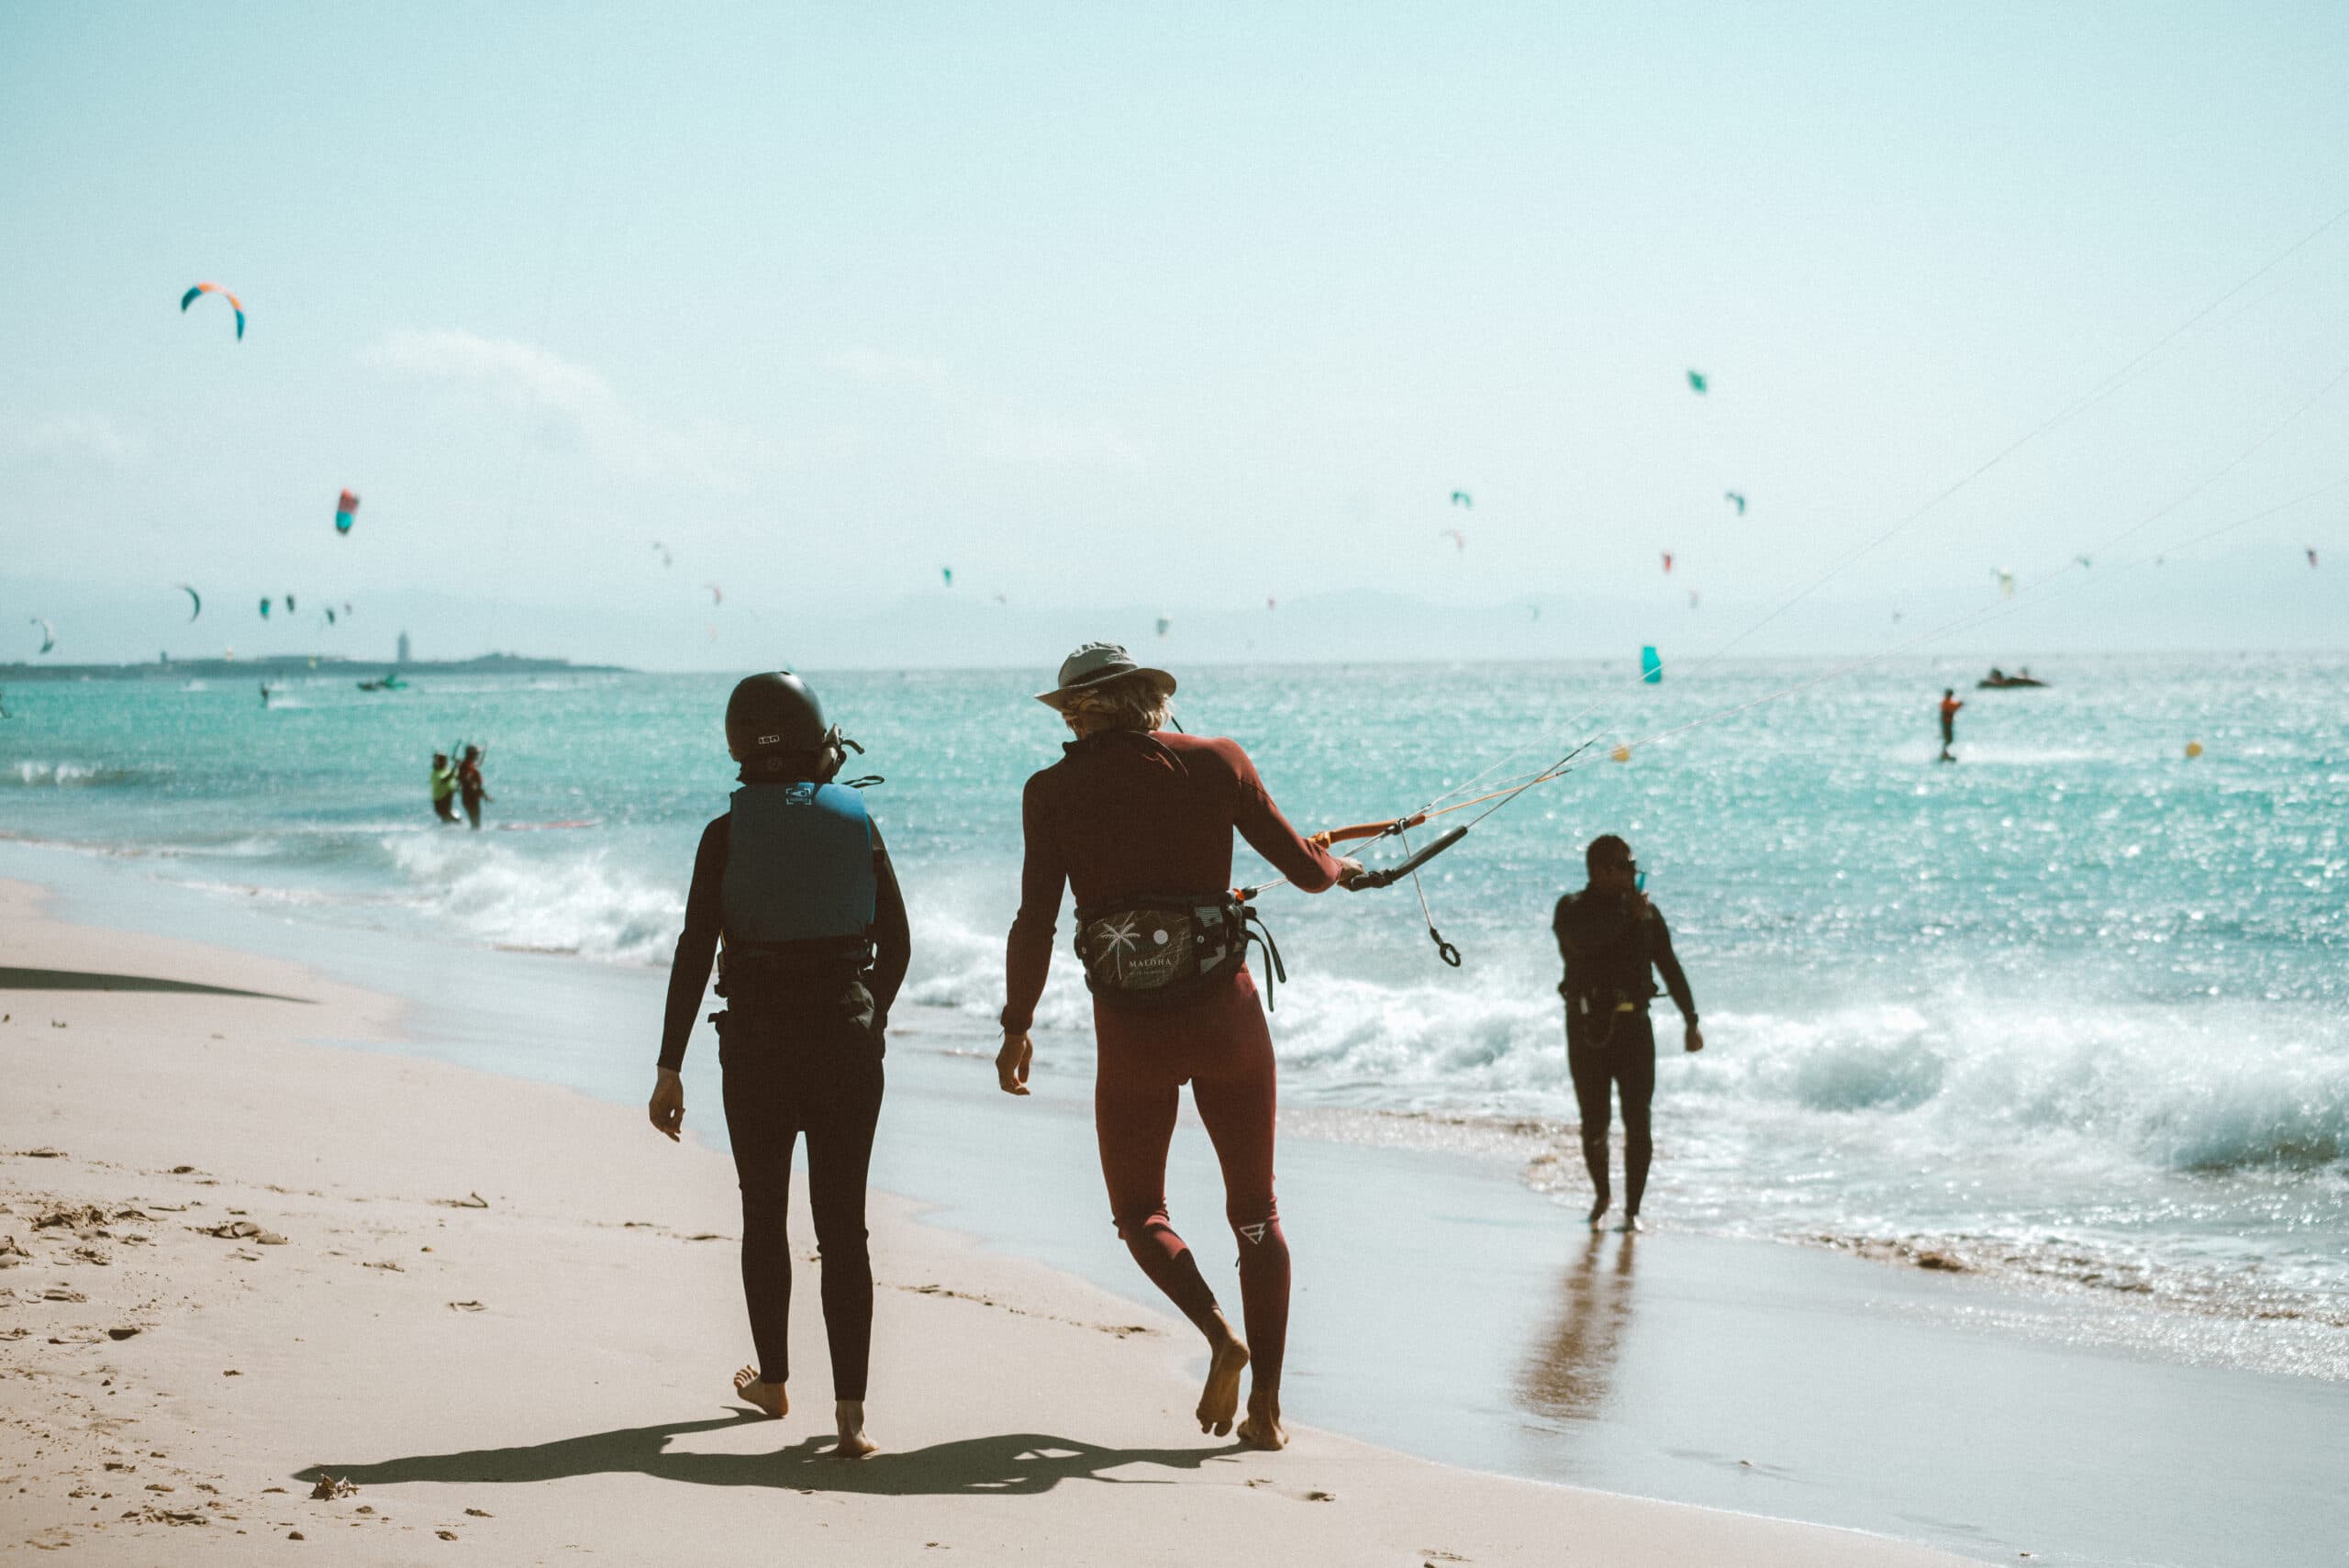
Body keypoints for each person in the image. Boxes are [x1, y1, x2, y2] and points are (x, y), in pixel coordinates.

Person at [995, 642, 1365, 1451]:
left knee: (1139, 1212)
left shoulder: (1050, 792)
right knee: (1256, 1214)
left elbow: (1035, 921)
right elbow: (1306, 872)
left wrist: (1016, 1024)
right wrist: (1338, 862)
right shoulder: (1219, 761)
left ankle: (1217, 1332)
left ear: (1075, 714)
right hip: (1226, 1020)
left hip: (1131, 1034)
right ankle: (1266, 1404)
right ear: (1149, 700)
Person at [647, 672, 908, 1459]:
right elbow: (896, 943)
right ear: (818, 741)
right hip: (845, 1047)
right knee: (844, 1228)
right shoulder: (858, 821)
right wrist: (870, 1018)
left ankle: (772, 1381)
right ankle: (853, 1415)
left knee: (765, 1216)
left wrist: (669, 1065)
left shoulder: (723, 834)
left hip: (756, 1050)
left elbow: (697, 950)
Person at [1553, 835, 1701, 1233]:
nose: (1635, 873)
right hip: (1587, 1028)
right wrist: (1629, 918)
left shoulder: (1645, 914)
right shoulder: (1572, 909)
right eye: (1627, 865)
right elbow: (1584, 943)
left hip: (1635, 1027)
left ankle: (1632, 1211)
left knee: (1639, 1122)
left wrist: (1691, 1019)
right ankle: (1602, 1194)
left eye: (1634, 865)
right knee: (1594, 1122)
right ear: (1602, 870)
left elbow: (1669, 964)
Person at [456, 744, 493, 828]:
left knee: (475, 823)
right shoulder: (467, 766)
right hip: (470, 798)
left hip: (468, 797)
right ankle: (474, 840)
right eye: (477, 754)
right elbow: (469, 783)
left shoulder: (467, 765)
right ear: (473, 755)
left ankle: (471, 840)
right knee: (476, 824)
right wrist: (483, 795)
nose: (478, 756)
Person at [429, 752, 460, 824]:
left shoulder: (446, 770)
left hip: (448, 803)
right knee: (450, 821)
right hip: (440, 804)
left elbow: (455, 777)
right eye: (442, 760)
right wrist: (455, 767)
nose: (445, 762)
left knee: (454, 820)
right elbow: (445, 780)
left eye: (445, 760)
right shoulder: (435, 773)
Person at [1937, 688, 1964, 762]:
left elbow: (1953, 707)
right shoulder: (1945, 702)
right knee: (1949, 739)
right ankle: (1944, 754)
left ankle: (1945, 753)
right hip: (1946, 723)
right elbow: (1953, 707)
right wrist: (1960, 704)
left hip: (1947, 723)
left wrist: (1959, 705)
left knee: (1948, 739)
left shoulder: (1946, 702)